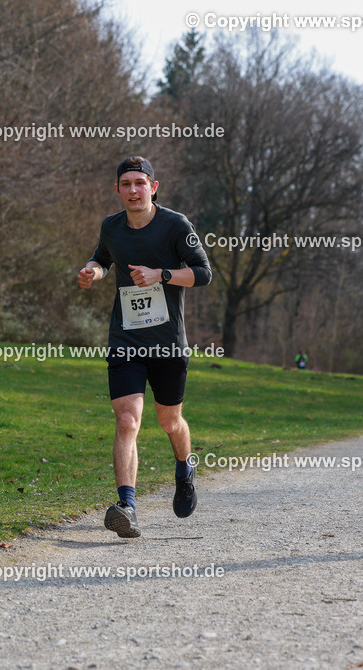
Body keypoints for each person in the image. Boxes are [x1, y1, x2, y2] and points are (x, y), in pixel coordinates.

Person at [77, 156, 212, 538]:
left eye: (140, 183)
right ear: (117, 190)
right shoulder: (112, 226)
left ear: (153, 187)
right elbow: (102, 258)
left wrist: (161, 275)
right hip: (126, 339)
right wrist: (93, 272)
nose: (133, 190)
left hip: (168, 343)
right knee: (127, 420)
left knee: (169, 421)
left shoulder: (175, 225)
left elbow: (203, 273)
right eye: (126, 184)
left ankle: (185, 468)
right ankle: (127, 507)